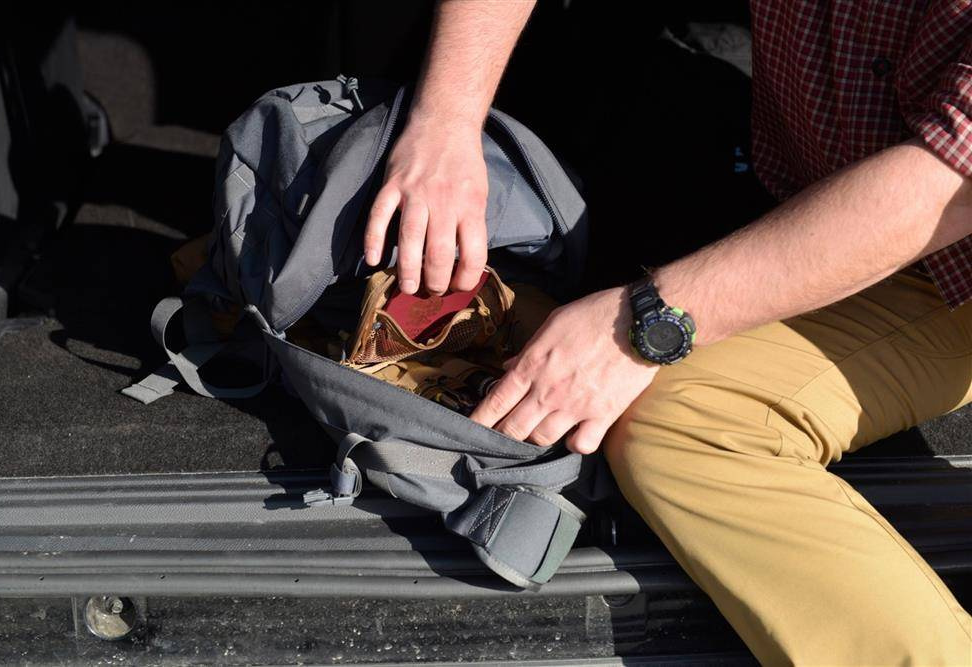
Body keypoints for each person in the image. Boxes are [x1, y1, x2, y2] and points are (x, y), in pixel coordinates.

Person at [364, 1, 972, 663]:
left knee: (684, 423)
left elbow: (948, 187)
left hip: (951, 255)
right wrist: (446, 123)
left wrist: (647, 320)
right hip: (821, 196)